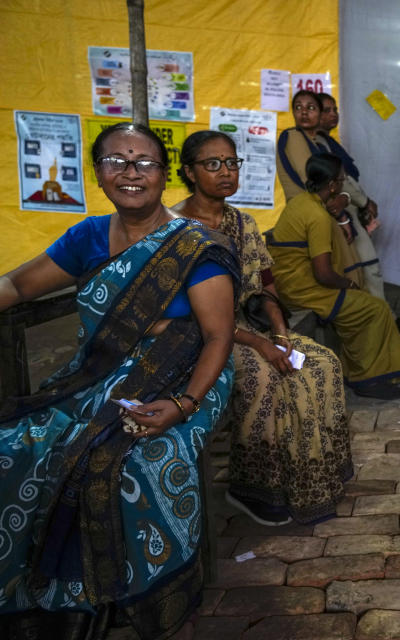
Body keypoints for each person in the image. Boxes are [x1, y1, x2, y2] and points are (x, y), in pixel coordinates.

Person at [0, 123, 238, 638]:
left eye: (145, 163)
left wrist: (183, 404)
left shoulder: (195, 246)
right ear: (99, 173)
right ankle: (53, 589)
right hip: (101, 375)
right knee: (19, 444)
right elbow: (18, 284)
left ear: (164, 175)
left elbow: (218, 337)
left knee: (138, 461)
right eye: (116, 161)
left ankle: (133, 593)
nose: (131, 173)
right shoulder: (86, 237)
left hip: (188, 377)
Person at [173, 130, 352, 526]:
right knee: (262, 377)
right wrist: (261, 346)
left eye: (232, 163)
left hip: (243, 323)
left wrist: (281, 333)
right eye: (212, 164)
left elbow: (265, 288)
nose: (225, 172)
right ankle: (254, 487)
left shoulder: (243, 223)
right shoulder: (175, 227)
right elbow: (194, 315)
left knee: (320, 364)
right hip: (197, 334)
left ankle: (313, 477)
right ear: (189, 171)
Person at [268, 152, 400, 401]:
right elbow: (323, 274)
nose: (343, 184)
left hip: (292, 283)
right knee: (375, 310)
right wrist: (348, 283)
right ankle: (367, 379)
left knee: (372, 305)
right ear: (333, 185)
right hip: (304, 290)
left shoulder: (302, 202)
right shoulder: (318, 216)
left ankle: (372, 370)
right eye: (342, 180)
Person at [276, 89, 400, 334]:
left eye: (311, 107)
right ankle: (375, 322)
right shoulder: (294, 137)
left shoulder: (318, 142)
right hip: (318, 215)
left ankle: (378, 320)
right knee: (351, 268)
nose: (304, 112)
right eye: (298, 107)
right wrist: (344, 206)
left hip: (328, 212)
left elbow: (339, 180)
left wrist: (346, 199)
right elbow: (316, 182)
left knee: (361, 266)